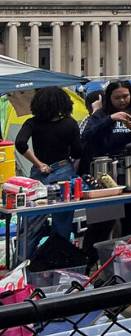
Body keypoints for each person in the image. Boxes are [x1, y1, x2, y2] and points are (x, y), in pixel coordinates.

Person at [80, 80, 131, 262]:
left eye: (125, 96)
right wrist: (110, 119)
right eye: (117, 98)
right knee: (101, 225)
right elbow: (86, 136)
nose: (122, 101)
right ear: (109, 98)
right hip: (105, 178)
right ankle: (91, 263)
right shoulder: (101, 115)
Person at [15, 87, 82, 250]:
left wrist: (39, 164)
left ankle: (22, 265)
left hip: (39, 173)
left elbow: (20, 143)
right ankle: (58, 261)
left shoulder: (32, 122)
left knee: (32, 222)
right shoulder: (70, 123)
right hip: (64, 170)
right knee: (62, 222)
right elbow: (77, 152)